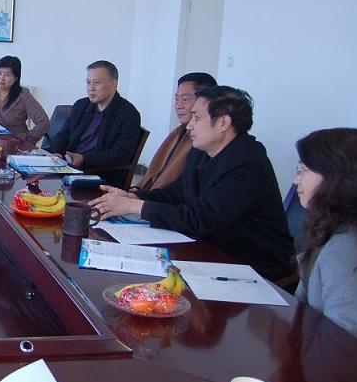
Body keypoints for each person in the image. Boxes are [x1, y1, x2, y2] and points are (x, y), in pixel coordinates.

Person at [92, 86, 294, 281]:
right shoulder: (202, 151)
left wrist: (135, 206)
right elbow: (176, 193)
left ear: (223, 123)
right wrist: (134, 196)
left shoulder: (248, 163)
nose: (189, 125)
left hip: (251, 266)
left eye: (196, 118)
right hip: (208, 249)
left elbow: (202, 220)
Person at [292, 127, 357, 342]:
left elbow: (347, 339)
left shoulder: (348, 247)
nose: (296, 180)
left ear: (337, 177)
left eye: (304, 169)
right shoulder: (330, 227)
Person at [46, 60, 142, 188]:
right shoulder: (81, 105)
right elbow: (64, 135)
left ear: (114, 84)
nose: (91, 88)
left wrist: (84, 159)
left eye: (96, 83)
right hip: (69, 167)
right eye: (88, 82)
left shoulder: (128, 114)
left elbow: (121, 154)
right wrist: (57, 152)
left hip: (99, 175)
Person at [134, 72, 217, 191]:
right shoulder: (179, 132)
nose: (178, 106)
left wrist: (139, 198)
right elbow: (154, 175)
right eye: (176, 99)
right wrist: (136, 192)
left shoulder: (205, 143)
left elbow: (181, 190)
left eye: (185, 99)